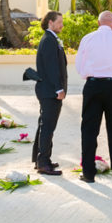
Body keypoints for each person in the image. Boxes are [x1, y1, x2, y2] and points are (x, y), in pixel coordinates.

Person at [76, 10, 112, 183]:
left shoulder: (87, 39)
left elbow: (80, 67)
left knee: (89, 130)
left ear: (98, 23)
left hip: (93, 86)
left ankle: (88, 173)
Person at [32, 11, 67, 176]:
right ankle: (43, 162)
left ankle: (40, 159)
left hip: (47, 90)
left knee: (44, 125)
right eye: (59, 22)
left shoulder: (50, 39)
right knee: (48, 127)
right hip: (49, 91)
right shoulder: (49, 41)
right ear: (50, 23)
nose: (62, 25)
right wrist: (58, 89)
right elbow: (52, 67)